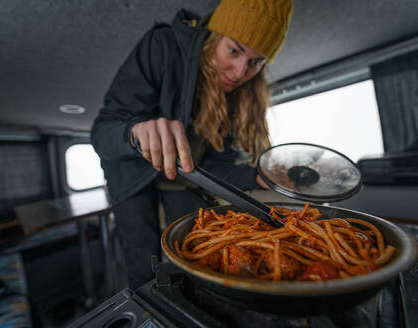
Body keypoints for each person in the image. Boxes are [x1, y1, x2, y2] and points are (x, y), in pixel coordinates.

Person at [91, 0, 293, 290]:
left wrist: (255, 177)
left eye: (255, 62)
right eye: (234, 51)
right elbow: (102, 132)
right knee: (143, 262)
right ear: (215, 36)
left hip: (183, 179)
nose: (239, 73)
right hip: (131, 177)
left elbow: (213, 165)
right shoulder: (162, 45)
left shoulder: (236, 93)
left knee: (197, 254)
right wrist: (134, 132)